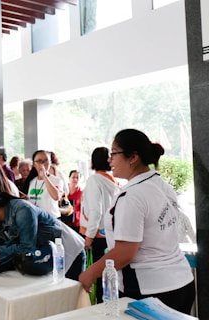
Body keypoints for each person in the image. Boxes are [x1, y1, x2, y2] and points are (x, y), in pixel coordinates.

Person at [79, 129, 195, 314]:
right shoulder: (160, 184)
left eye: (114, 153)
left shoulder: (131, 196)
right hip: (181, 282)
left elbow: (125, 252)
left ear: (132, 157)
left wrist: (90, 273)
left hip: (150, 291)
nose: (110, 160)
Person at [80, 147, 119, 303]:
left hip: (96, 236)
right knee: (108, 279)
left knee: (99, 279)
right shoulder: (113, 181)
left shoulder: (94, 180)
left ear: (93, 161)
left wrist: (89, 237)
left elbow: (95, 211)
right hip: (109, 235)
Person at [22, 150, 64, 218]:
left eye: (46, 161)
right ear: (34, 164)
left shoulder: (56, 180)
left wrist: (44, 176)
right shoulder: (32, 181)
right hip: (36, 219)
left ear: (50, 163)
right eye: (39, 161)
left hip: (51, 220)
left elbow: (56, 197)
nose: (43, 164)